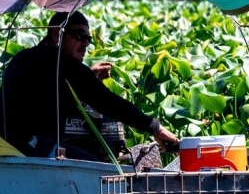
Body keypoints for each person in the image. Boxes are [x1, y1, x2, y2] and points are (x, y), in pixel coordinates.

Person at [0, 11, 180, 160]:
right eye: (79, 35)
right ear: (57, 34)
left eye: (88, 38)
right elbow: (108, 102)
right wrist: (155, 127)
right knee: (95, 169)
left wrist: (89, 77)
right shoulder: (62, 64)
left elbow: (45, 96)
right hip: (26, 145)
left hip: (6, 143)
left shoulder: (24, 58)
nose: (85, 42)